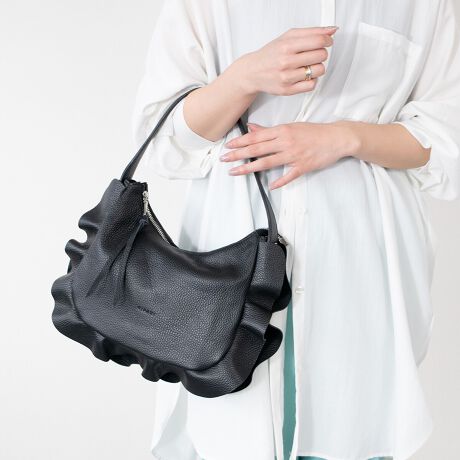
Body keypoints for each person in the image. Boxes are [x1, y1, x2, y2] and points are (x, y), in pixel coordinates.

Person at [131, 1, 460, 459]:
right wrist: (244, 76)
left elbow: (447, 140)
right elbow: (164, 141)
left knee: (348, 429)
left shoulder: (426, 6)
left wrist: (344, 137)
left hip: (359, 265)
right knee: (232, 434)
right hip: (226, 265)